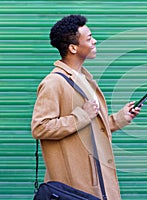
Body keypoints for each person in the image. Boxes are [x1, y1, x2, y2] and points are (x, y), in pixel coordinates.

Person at [31, 14, 140, 199]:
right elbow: (40, 127)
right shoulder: (54, 83)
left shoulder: (84, 79)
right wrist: (82, 115)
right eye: (89, 38)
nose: (95, 41)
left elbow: (91, 126)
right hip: (74, 188)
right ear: (73, 47)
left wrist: (119, 119)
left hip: (99, 182)